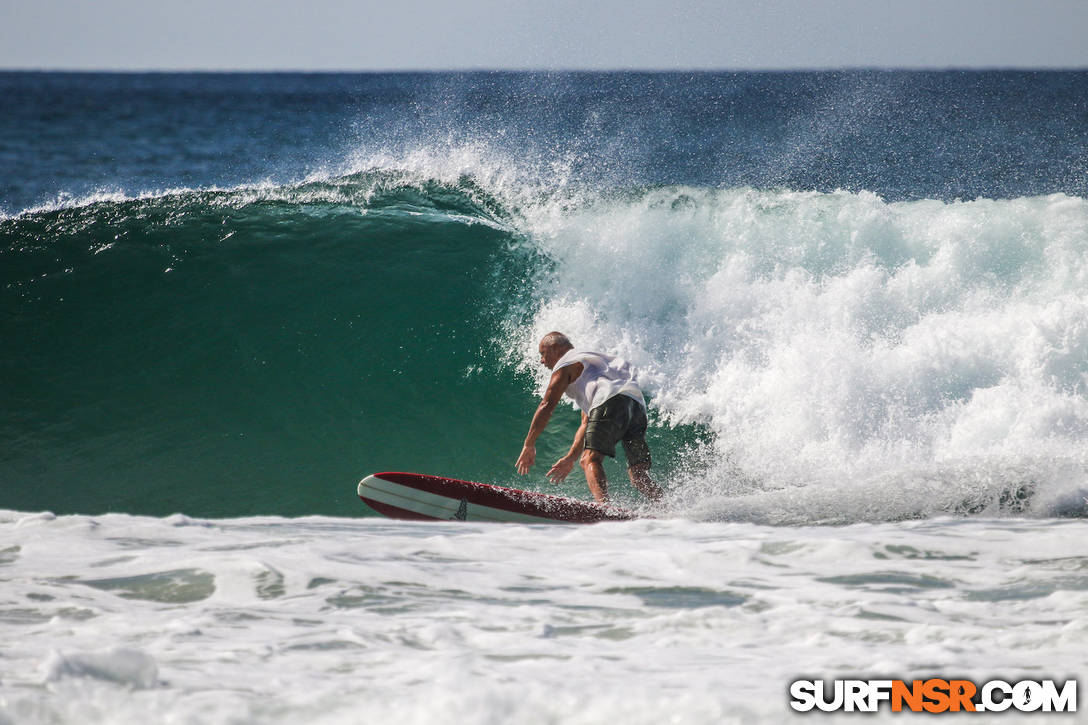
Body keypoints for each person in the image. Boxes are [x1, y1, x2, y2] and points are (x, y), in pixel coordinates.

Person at [515, 331, 662, 504]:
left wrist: (529, 444)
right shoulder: (592, 364)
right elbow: (586, 422)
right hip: (636, 406)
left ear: (555, 348)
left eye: (543, 354)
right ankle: (667, 509)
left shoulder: (565, 363)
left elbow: (546, 406)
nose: (542, 361)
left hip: (609, 401)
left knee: (589, 460)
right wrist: (571, 458)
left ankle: (604, 511)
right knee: (638, 475)